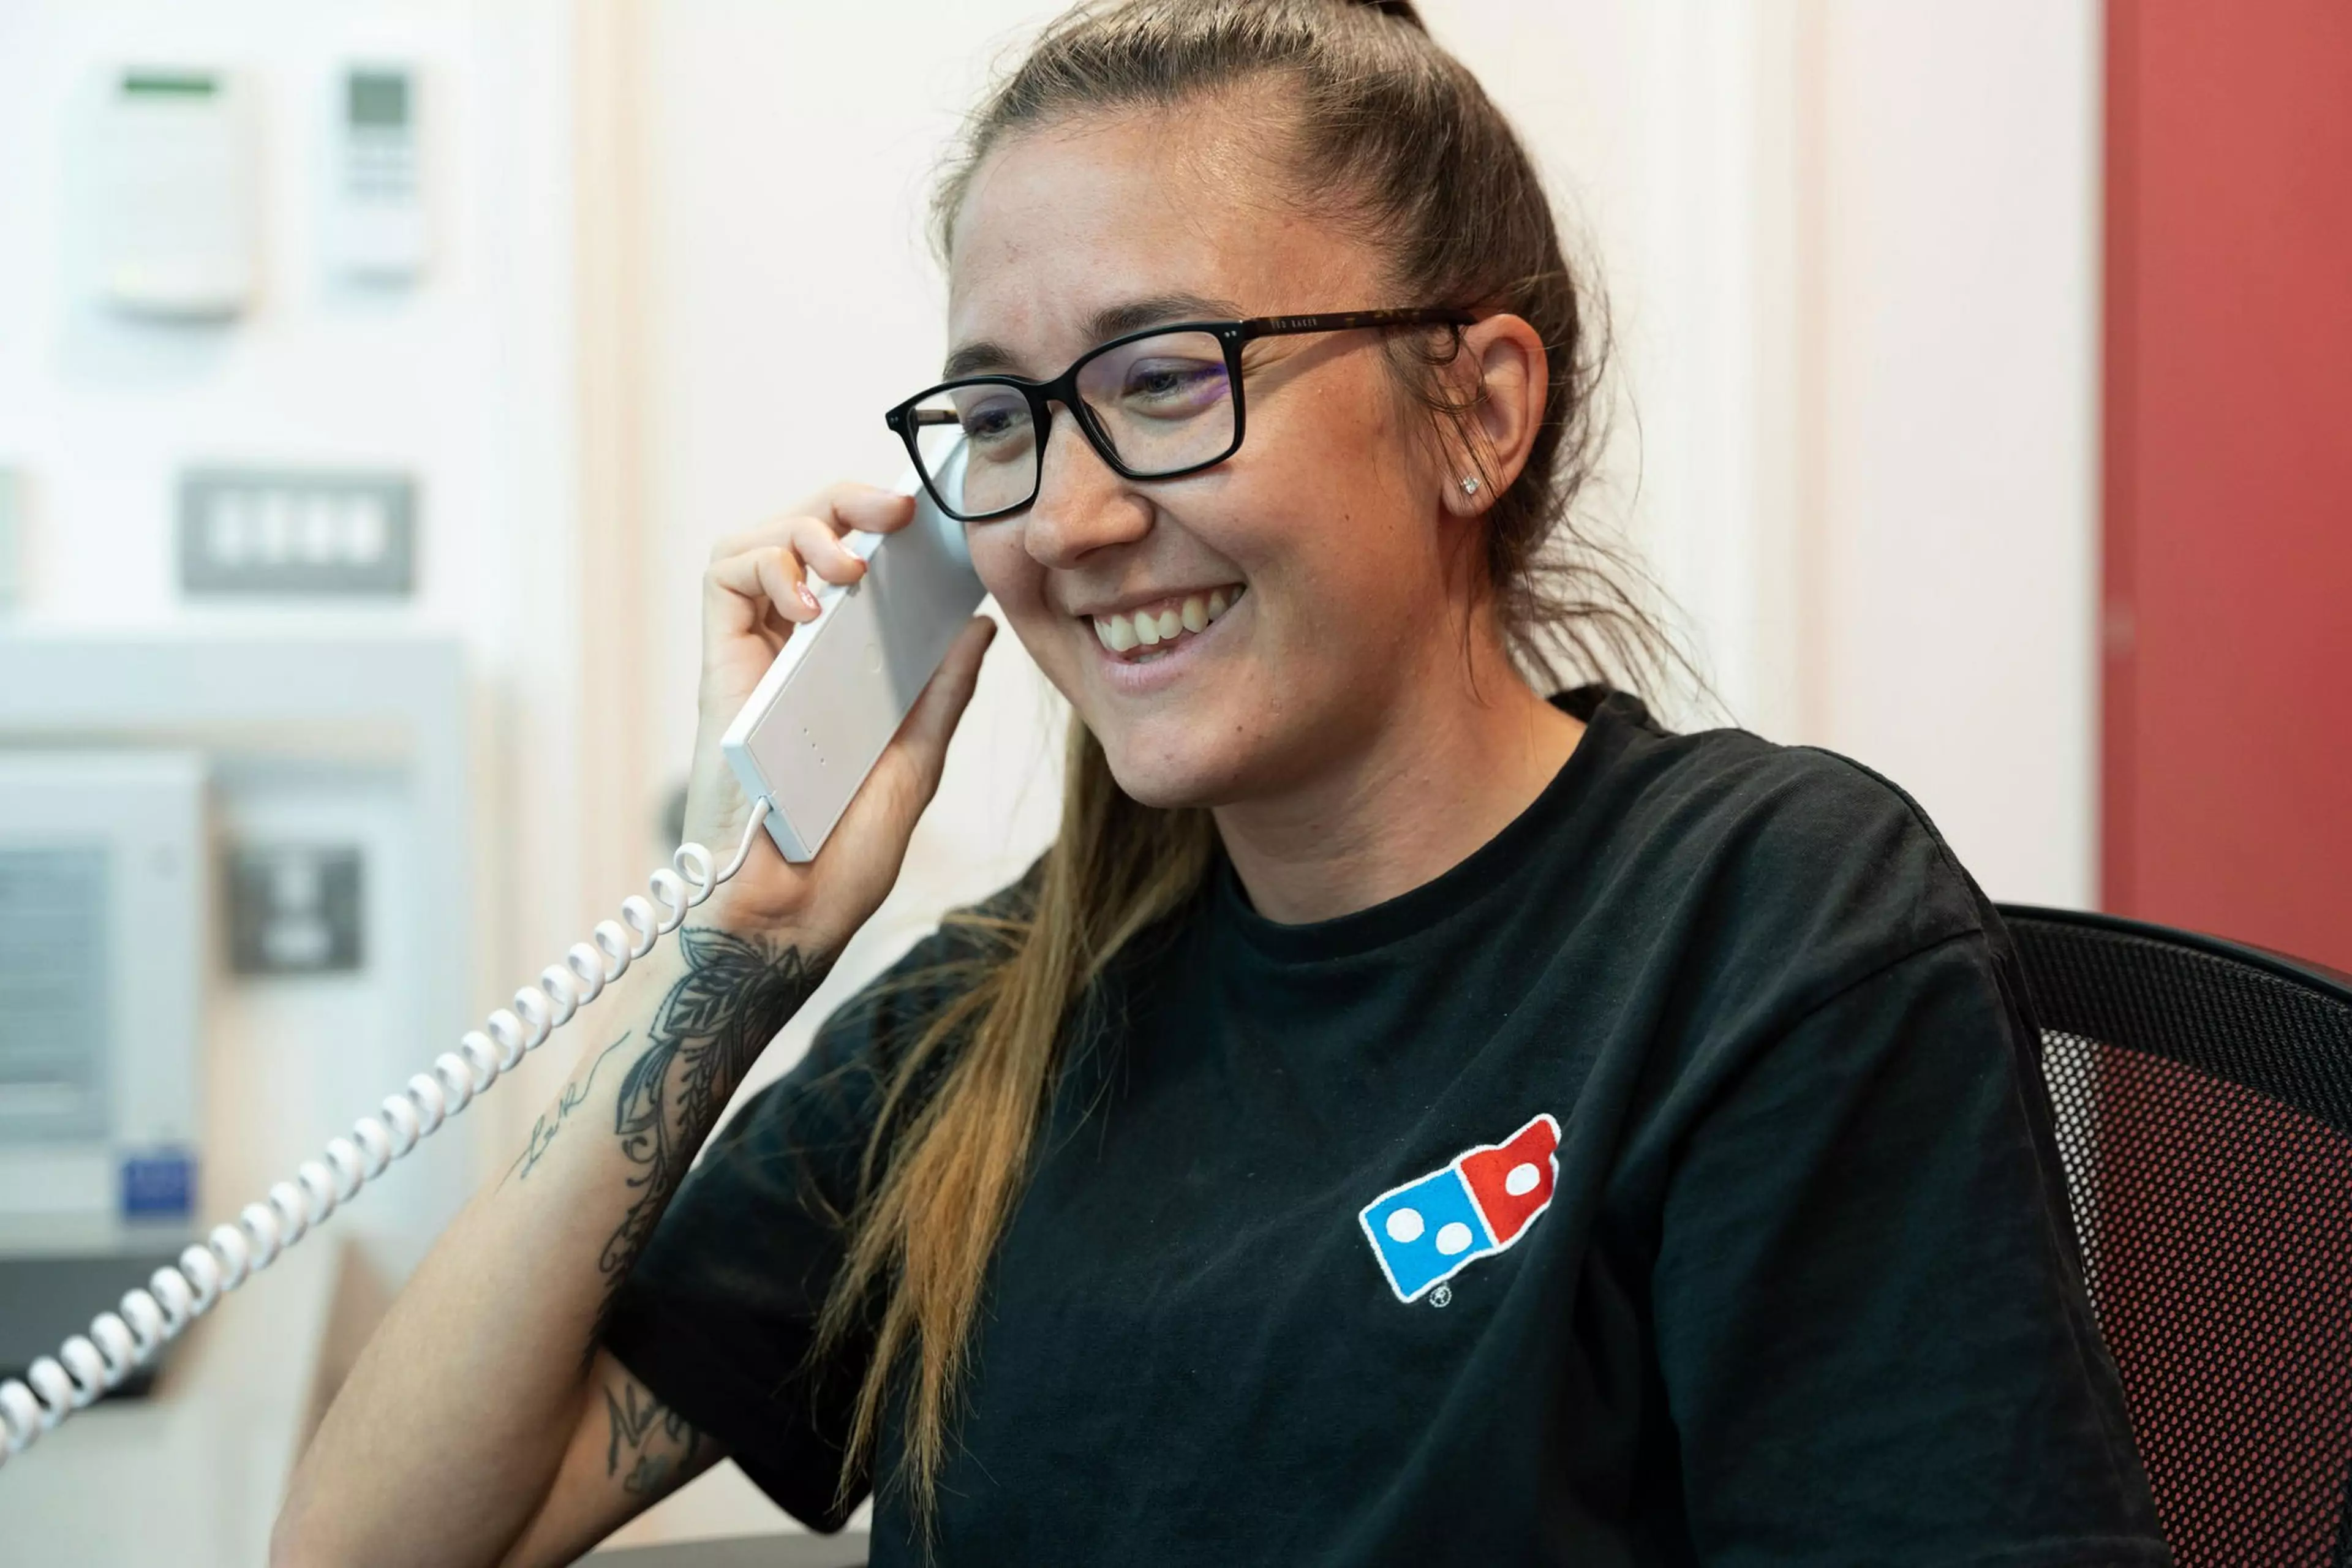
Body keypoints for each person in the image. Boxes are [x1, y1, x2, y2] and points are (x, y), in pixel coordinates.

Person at [273, 1, 2169, 1562]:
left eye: (1168, 378)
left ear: (1476, 411)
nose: (1073, 520)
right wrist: (730, 940)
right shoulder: (1007, 1019)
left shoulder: (1767, 934)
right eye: (1002, 418)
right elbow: (376, 1549)